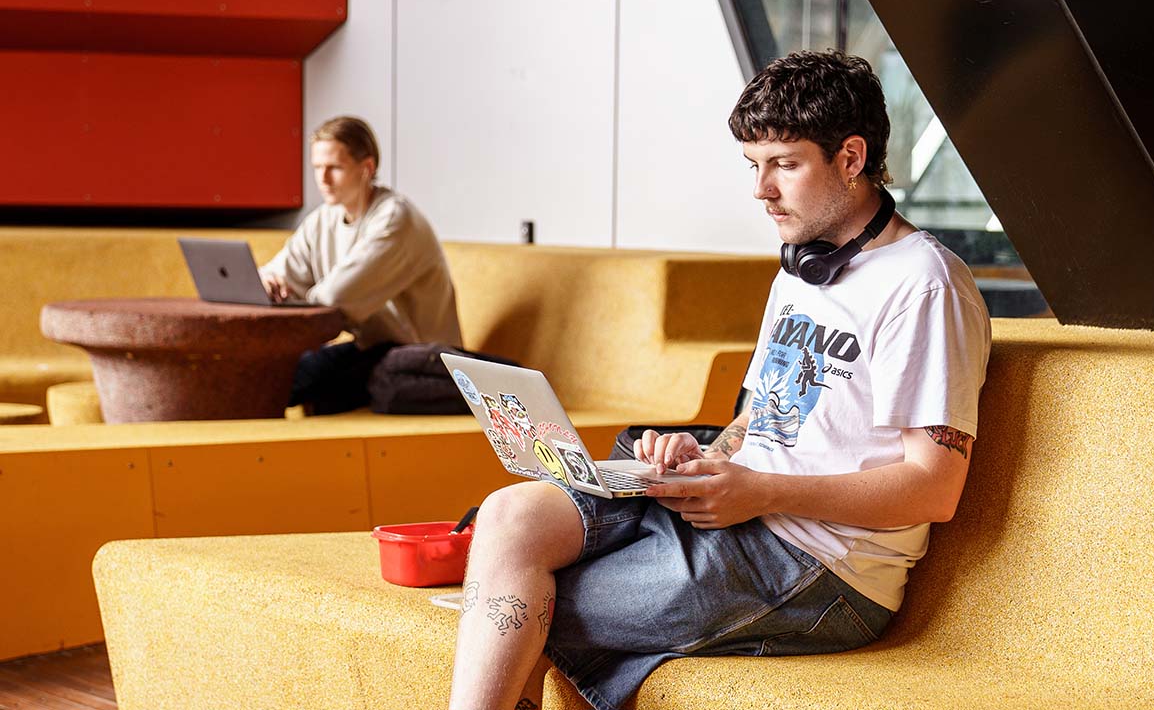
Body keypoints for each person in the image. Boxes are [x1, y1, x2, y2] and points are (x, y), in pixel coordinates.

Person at [446, 50, 991, 710]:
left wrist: (761, 490)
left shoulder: (925, 285)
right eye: (753, 166)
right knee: (512, 517)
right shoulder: (801, 268)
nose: (761, 190)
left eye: (784, 164)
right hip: (740, 509)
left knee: (518, 605)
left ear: (851, 159)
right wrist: (700, 455)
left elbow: (933, 487)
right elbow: (758, 419)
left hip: (821, 567)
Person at [259, 116, 462, 414]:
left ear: (367, 168)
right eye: (317, 168)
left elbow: (335, 300)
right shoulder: (324, 218)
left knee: (287, 379)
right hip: (373, 349)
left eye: (334, 168)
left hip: (417, 359)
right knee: (273, 376)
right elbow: (280, 271)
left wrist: (291, 298)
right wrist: (269, 281)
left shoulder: (394, 220)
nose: (323, 179)